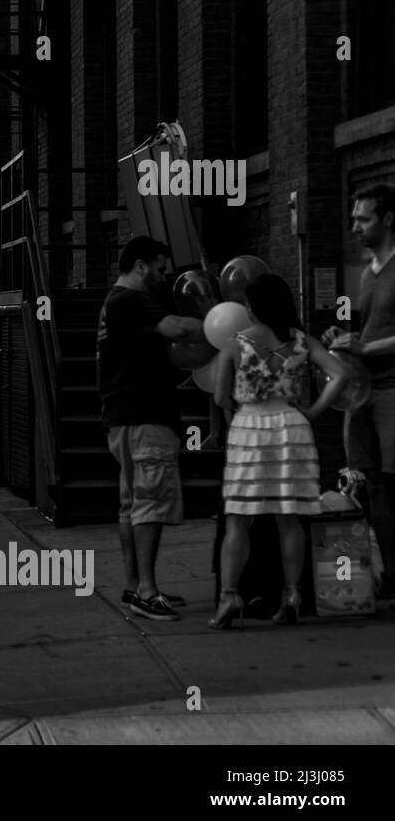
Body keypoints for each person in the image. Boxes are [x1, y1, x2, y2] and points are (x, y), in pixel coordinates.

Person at [209, 274, 349, 628]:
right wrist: (314, 411)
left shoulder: (235, 343)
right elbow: (340, 373)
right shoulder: (301, 341)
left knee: (238, 519)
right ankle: (292, 594)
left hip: (249, 431)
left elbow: (220, 397)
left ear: (253, 306)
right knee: (290, 518)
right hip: (292, 428)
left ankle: (229, 596)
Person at [97, 236, 208, 621]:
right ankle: (146, 591)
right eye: (160, 268)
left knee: (131, 507)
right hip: (145, 417)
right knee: (150, 503)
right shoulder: (131, 300)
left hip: (124, 418)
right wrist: (217, 322)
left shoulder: (114, 302)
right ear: (140, 265)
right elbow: (177, 329)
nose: (164, 276)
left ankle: (133, 587)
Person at [325, 182, 395, 597]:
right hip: (363, 391)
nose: (355, 226)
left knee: (391, 482)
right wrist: (346, 337)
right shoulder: (367, 273)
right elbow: (371, 330)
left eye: (363, 218)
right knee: (370, 483)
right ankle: (389, 573)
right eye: (353, 218)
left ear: (388, 219)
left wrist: (366, 346)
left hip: (392, 391)